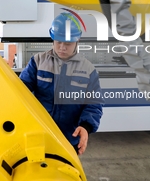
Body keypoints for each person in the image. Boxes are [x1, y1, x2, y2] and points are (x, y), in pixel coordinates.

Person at [19, 12, 104, 155]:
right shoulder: (38, 61)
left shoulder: (88, 70)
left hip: (70, 137)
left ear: (77, 41)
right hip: (40, 133)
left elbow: (94, 104)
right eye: (58, 42)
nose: (62, 47)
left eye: (68, 43)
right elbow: (21, 89)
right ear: (52, 39)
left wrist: (85, 126)